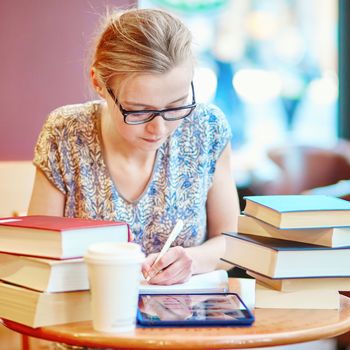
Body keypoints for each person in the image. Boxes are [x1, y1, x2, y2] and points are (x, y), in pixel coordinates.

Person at [29, 7, 239, 287]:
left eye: (176, 106)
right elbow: (37, 249)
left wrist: (193, 259)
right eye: (138, 111)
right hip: (88, 318)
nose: (159, 129)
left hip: (186, 317)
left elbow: (231, 242)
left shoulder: (207, 128)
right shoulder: (65, 132)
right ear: (99, 83)